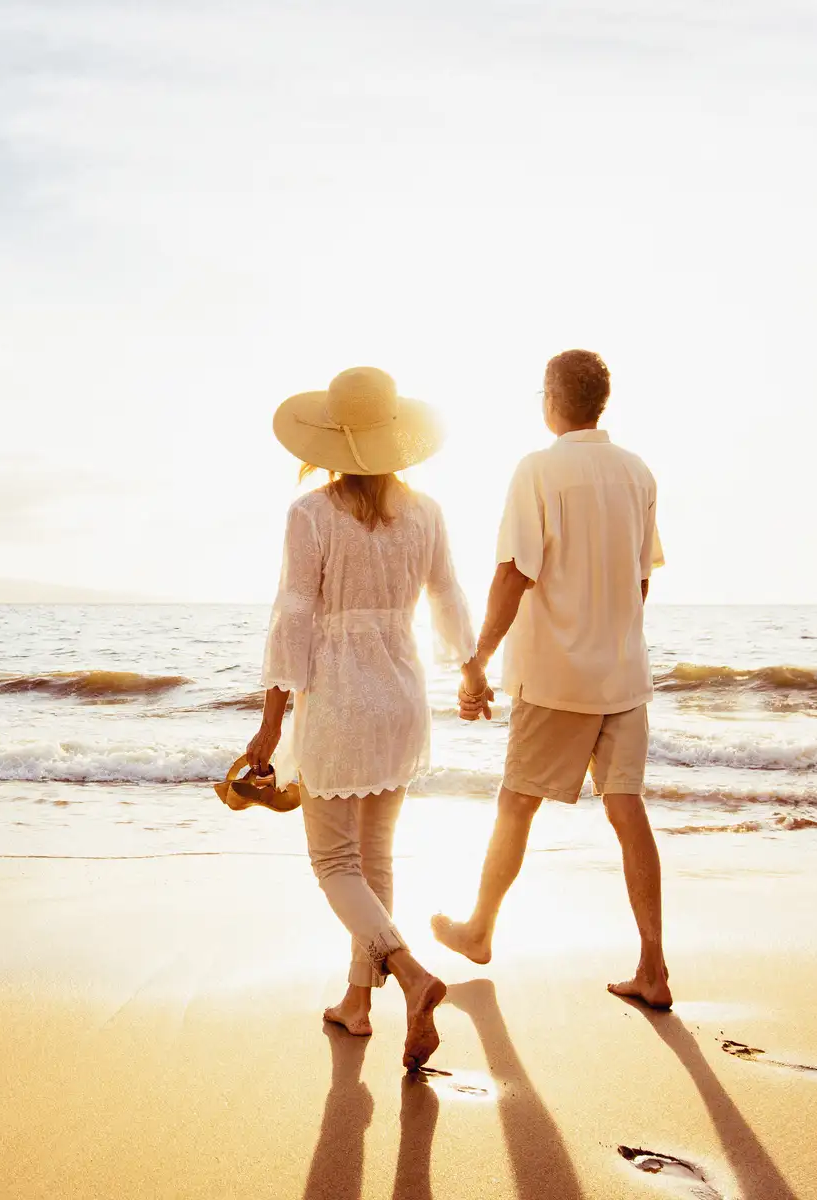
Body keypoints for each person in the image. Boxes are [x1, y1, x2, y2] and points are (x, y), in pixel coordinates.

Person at [246, 365, 476, 1070]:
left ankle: (408, 974)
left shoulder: (311, 514)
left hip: (342, 696)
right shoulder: (427, 512)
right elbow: (446, 596)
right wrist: (469, 669)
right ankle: (357, 1003)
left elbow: (294, 616)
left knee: (334, 861)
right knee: (374, 857)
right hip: (403, 694)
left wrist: (269, 722)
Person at [432, 349, 672, 1009]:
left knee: (516, 803)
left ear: (551, 399)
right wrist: (615, 637)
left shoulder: (538, 471)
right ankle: (653, 967)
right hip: (623, 675)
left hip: (556, 676)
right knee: (628, 812)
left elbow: (514, 573)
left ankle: (479, 929)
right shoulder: (638, 474)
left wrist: (478, 659)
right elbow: (641, 578)